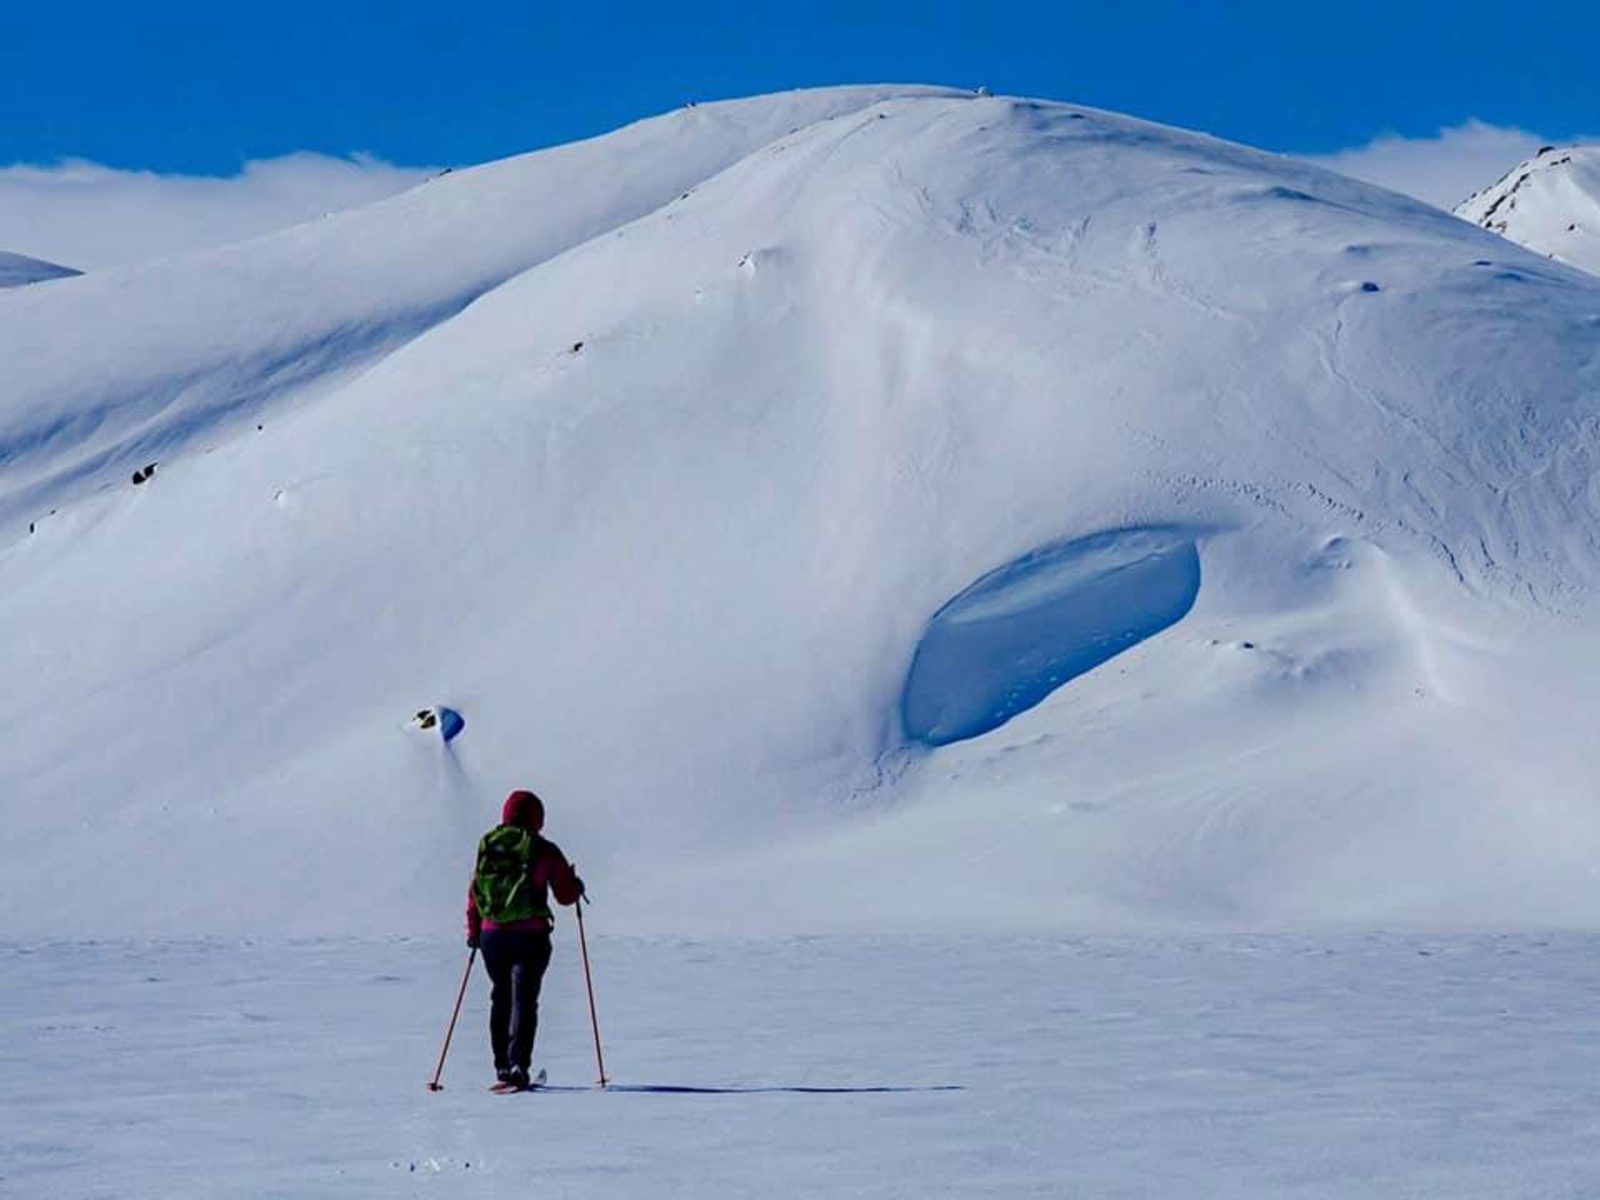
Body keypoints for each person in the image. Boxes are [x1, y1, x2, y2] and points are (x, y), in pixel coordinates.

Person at [466, 789, 584, 1092]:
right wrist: (575, 884)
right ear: (537, 817)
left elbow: (475, 891)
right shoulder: (543, 850)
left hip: (491, 936)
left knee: (501, 996)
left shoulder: (490, 846)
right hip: (530, 936)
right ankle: (519, 1064)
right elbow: (565, 895)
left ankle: (502, 1066)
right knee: (524, 1000)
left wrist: (473, 931)